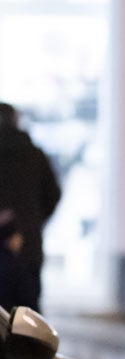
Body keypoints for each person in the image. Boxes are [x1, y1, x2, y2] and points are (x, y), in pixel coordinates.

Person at [0, 102, 61, 313]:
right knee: (28, 316)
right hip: (28, 246)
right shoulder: (35, 154)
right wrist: (33, 221)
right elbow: (53, 195)